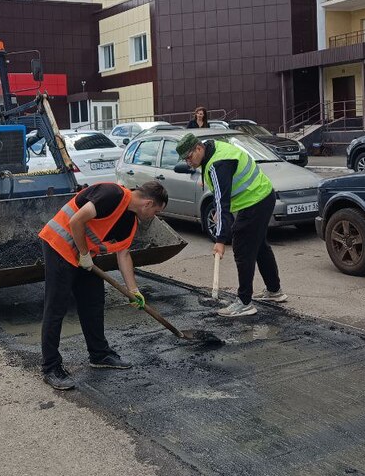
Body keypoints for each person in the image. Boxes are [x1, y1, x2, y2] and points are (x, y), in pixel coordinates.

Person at [37, 180, 169, 390]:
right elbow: (76, 221)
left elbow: (124, 255)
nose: (155, 216)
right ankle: (50, 367)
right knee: (56, 307)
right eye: (156, 212)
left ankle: (99, 354)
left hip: (84, 256)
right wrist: (83, 254)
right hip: (59, 245)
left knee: (93, 301)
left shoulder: (130, 221)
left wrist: (133, 290)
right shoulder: (111, 194)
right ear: (148, 203)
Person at [176, 133, 286, 317]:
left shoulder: (218, 164)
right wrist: (219, 212)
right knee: (259, 246)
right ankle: (274, 291)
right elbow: (222, 196)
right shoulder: (212, 150)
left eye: (189, 157)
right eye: (185, 160)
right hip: (261, 196)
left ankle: (244, 302)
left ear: (199, 148)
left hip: (255, 201)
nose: (188, 162)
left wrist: (220, 240)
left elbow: (223, 202)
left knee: (242, 248)